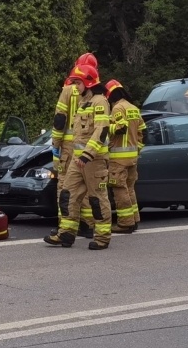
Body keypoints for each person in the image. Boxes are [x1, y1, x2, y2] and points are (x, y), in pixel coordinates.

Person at [46, 72, 111, 251]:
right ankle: (66, 233)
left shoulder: (100, 102)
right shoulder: (84, 102)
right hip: (77, 159)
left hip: (93, 160)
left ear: (88, 83)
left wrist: (87, 154)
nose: (75, 86)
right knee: (68, 195)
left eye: (78, 83)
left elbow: (101, 130)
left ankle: (102, 237)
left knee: (97, 199)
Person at [49, 52, 96, 184]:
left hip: (68, 146)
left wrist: (56, 144)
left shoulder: (68, 90)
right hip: (89, 146)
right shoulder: (97, 92)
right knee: (86, 187)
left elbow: (59, 119)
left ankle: (65, 206)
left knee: (66, 185)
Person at [104, 80, 143, 234]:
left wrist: (106, 126)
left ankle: (125, 223)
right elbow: (142, 132)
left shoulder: (117, 108)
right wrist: (137, 150)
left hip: (118, 158)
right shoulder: (133, 108)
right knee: (130, 189)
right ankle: (134, 220)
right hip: (132, 158)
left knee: (119, 189)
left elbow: (121, 128)